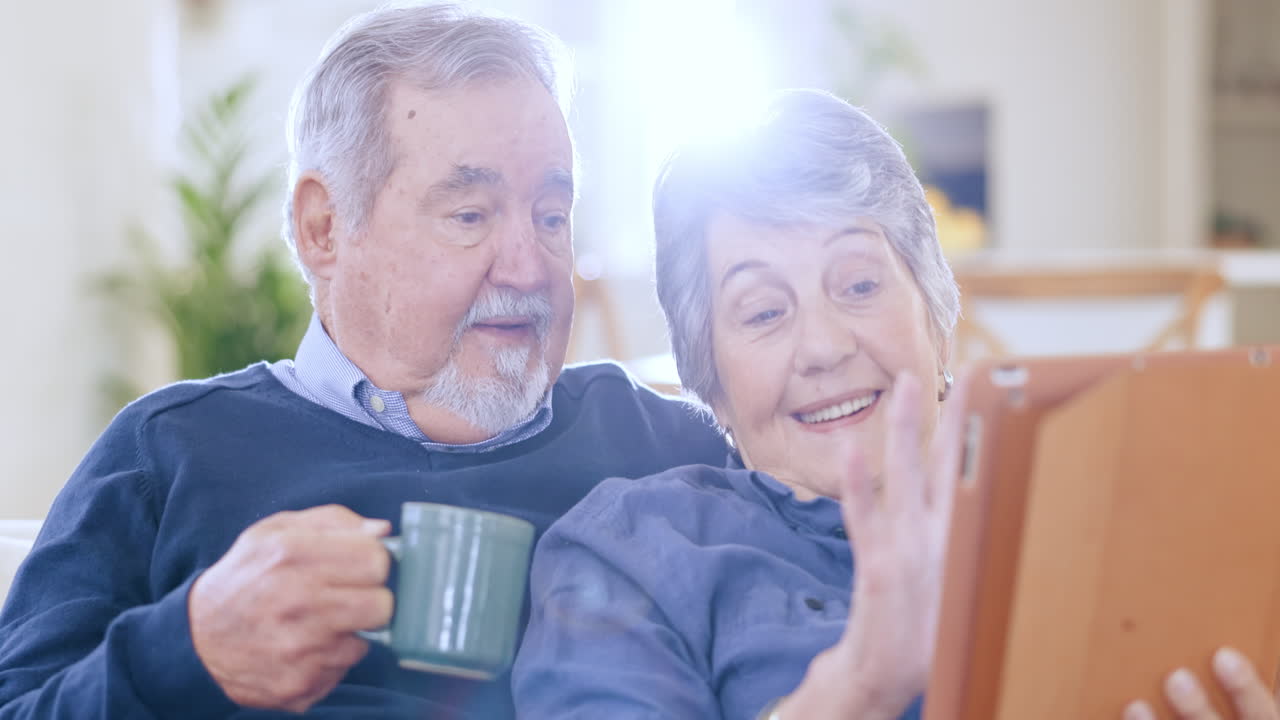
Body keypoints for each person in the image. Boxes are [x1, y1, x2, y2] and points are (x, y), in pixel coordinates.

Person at [0, 5, 726, 719]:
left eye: (551, 218)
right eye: (469, 216)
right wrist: (189, 652)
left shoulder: (666, 448)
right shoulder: (168, 452)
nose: (530, 268)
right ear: (324, 228)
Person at [511, 89, 1280, 720]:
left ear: (937, 316)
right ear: (710, 380)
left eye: (859, 285)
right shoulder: (632, 553)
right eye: (764, 311)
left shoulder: (1116, 515)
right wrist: (857, 691)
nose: (823, 346)